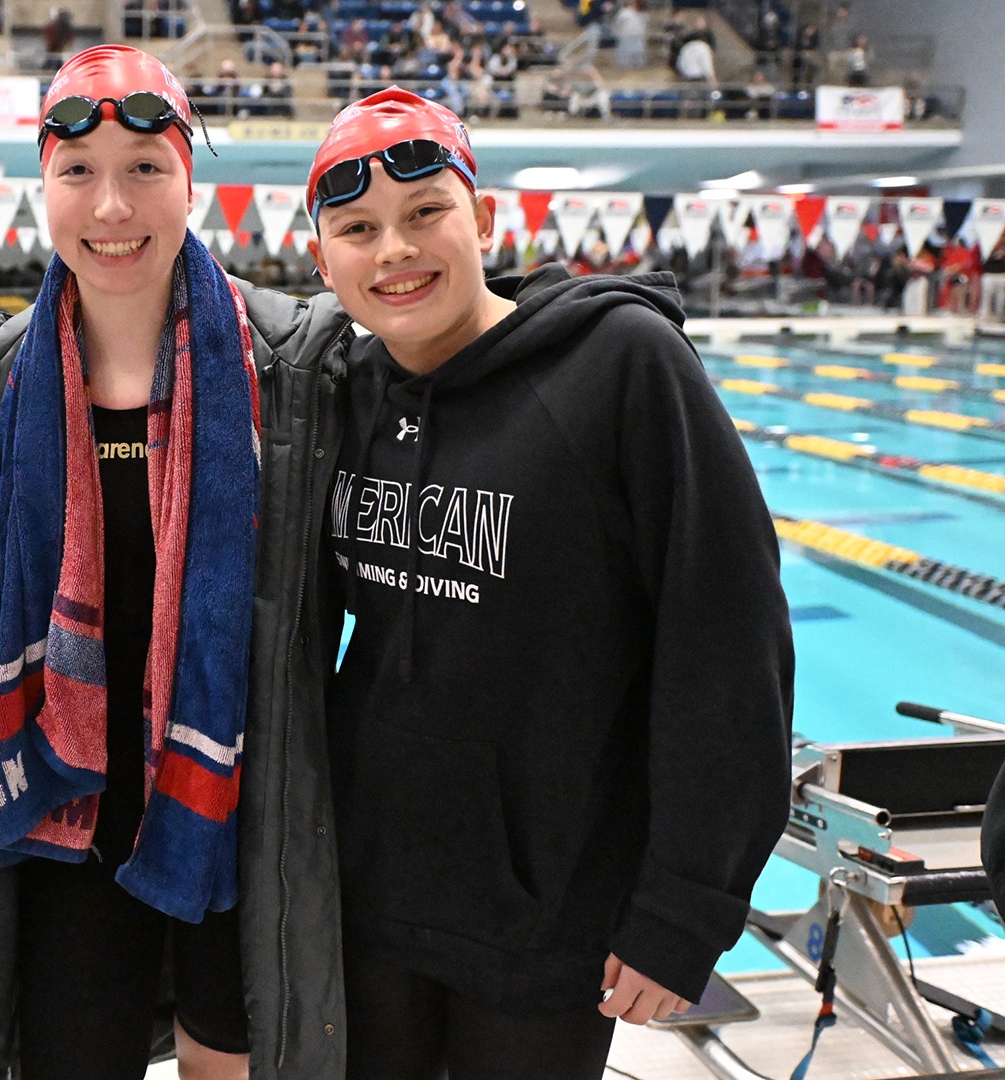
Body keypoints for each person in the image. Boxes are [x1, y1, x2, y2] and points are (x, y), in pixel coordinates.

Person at [299, 87, 793, 1078]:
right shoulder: (344, 393)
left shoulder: (620, 366)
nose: (394, 250)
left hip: (549, 914)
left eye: (425, 213)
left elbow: (728, 640)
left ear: (484, 217)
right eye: (358, 230)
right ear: (324, 261)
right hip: (366, 898)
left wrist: (686, 903)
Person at [0, 45, 354, 1080]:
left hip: (236, 814)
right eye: (79, 174)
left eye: (145, 169)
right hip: (68, 817)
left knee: (229, 1061)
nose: (111, 206)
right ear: (43, 189)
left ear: (191, 181)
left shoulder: (287, 367)